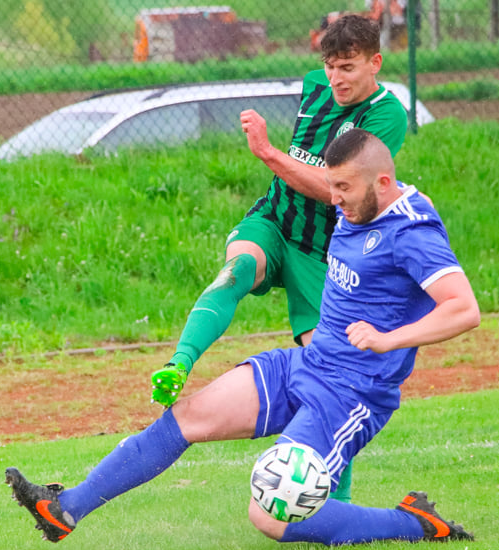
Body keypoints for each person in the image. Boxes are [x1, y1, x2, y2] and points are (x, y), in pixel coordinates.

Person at [5, 129, 480, 547]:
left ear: (381, 182)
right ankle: (65, 509)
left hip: (350, 394)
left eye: (343, 188)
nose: (333, 198)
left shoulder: (411, 232)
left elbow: (464, 309)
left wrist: (387, 339)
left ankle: (413, 524)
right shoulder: (367, 204)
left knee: (270, 517)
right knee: (188, 416)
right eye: (331, 185)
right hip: (307, 365)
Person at [151, 13, 408, 504]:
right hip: (273, 220)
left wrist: (268, 153)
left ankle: (336, 505)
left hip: (321, 251)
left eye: (349, 67)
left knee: (333, 380)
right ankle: (178, 364)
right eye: (331, 66)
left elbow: (337, 191)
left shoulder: (386, 116)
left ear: (375, 62)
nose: (336, 78)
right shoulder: (316, 88)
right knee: (236, 271)